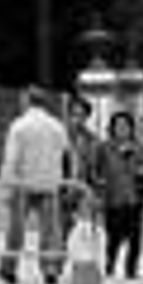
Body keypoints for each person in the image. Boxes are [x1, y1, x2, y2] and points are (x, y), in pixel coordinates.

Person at [0, 88, 71, 284]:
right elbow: (65, 154)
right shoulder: (57, 126)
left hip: (23, 183)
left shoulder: (19, 125)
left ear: (27, 101)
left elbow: (11, 158)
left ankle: (9, 268)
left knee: (16, 230)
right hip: (49, 183)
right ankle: (50, 270)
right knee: (49, 232)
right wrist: (64, 181)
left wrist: (6, 185)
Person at [92, 110, 143, 279]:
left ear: (131, 128)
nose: (122, 129)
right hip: (112, 198)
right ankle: (110, 262)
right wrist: (99, 183)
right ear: (112, 128)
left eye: (125, 126)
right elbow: (95, 170)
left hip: (134, 197)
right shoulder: (104, 147)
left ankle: (131, 268)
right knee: (113, 235)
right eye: (118, 126)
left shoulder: (139, 147)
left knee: (136, 237)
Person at [61, 96, 100, 247]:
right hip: (61, 186)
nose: (77, 119)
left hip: (81, 188)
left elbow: (94, 166)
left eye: (82, 115)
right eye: (74, 114)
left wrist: (95, 188)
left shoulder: (92, 140)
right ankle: (58, 254)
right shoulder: (60, 135)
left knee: (77, 226)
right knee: (62, 224)